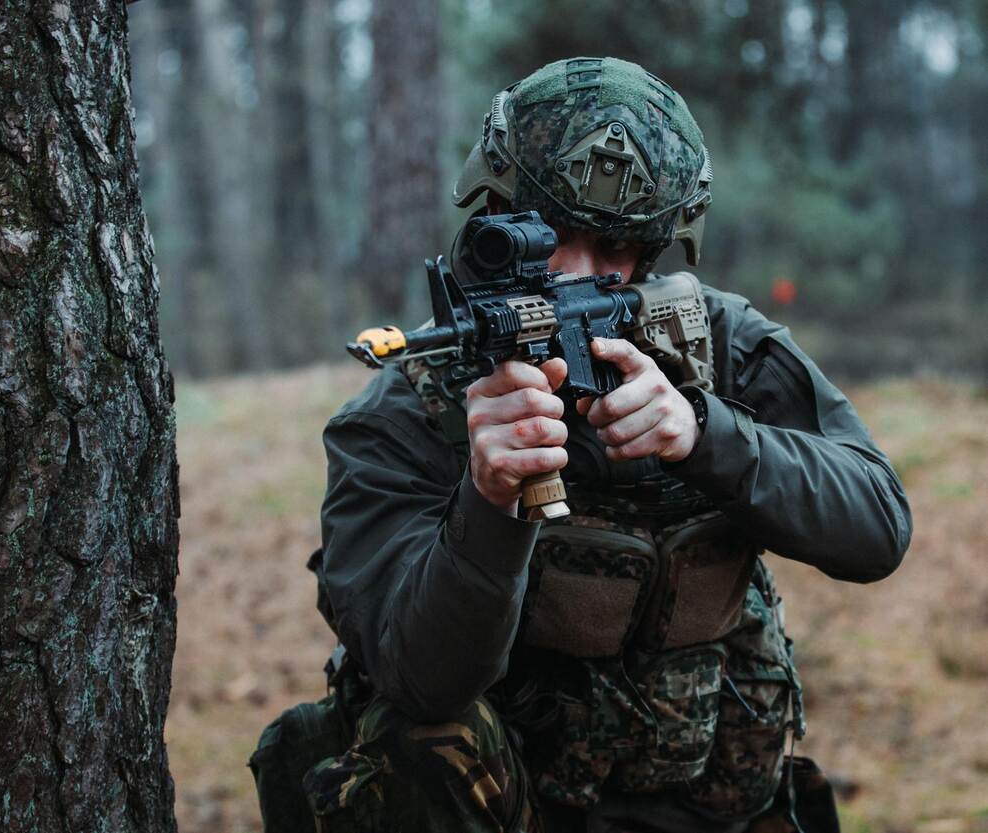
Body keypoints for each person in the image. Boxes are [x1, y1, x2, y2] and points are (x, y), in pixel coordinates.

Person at [251, 56, 911, 833]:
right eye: (547, 235)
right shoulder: (409, 411)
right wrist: (490, 502)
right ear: (497, 216)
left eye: (614, 249)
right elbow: (423, 681)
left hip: (707, 805)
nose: (572, 272)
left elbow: (877, 525)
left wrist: (707, 434)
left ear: (654, 249)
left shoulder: (717, 344)